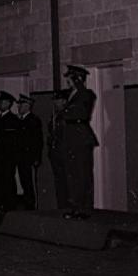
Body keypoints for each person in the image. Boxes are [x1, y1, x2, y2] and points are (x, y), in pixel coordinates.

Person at [61, 65, 98, 220]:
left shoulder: (86, 94)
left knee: (83, 173)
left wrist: (66, 112)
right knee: (72, 173)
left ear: (77, 79)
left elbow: (75, 112)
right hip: (71, 137)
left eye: (70, 78)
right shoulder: (72, 95)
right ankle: (75, 206)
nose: (67, 82)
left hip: (81, 138)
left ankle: (85, 208)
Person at [0, 91, 20, 212]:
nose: (0, 104)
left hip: (8, 157)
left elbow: (12, 141)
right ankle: (2, 204)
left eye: (3, 102)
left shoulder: (12, 119)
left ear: (9, 104)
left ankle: (10, 205)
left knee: (8, 180)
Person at [16, 94, 43, 210]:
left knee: (29, 182)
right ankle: (27, 205)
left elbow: (37, 141)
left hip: (29, 157)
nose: (19, 106)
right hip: (21, 157)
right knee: (24, 181)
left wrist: (36, 158)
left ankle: (32, 206)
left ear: (28, 106)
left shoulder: (33, 120)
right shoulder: (20, 120)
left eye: (21, 104)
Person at [47, 90, 70, 210]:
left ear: (64, 101)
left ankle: (67, 206)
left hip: (63, 153)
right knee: (59, 182)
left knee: (66, 182)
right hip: (56, 153)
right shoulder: (55, 115)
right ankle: (61, 206)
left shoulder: (66, 115)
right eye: (55, 100)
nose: (55, 103)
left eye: (58, 100)